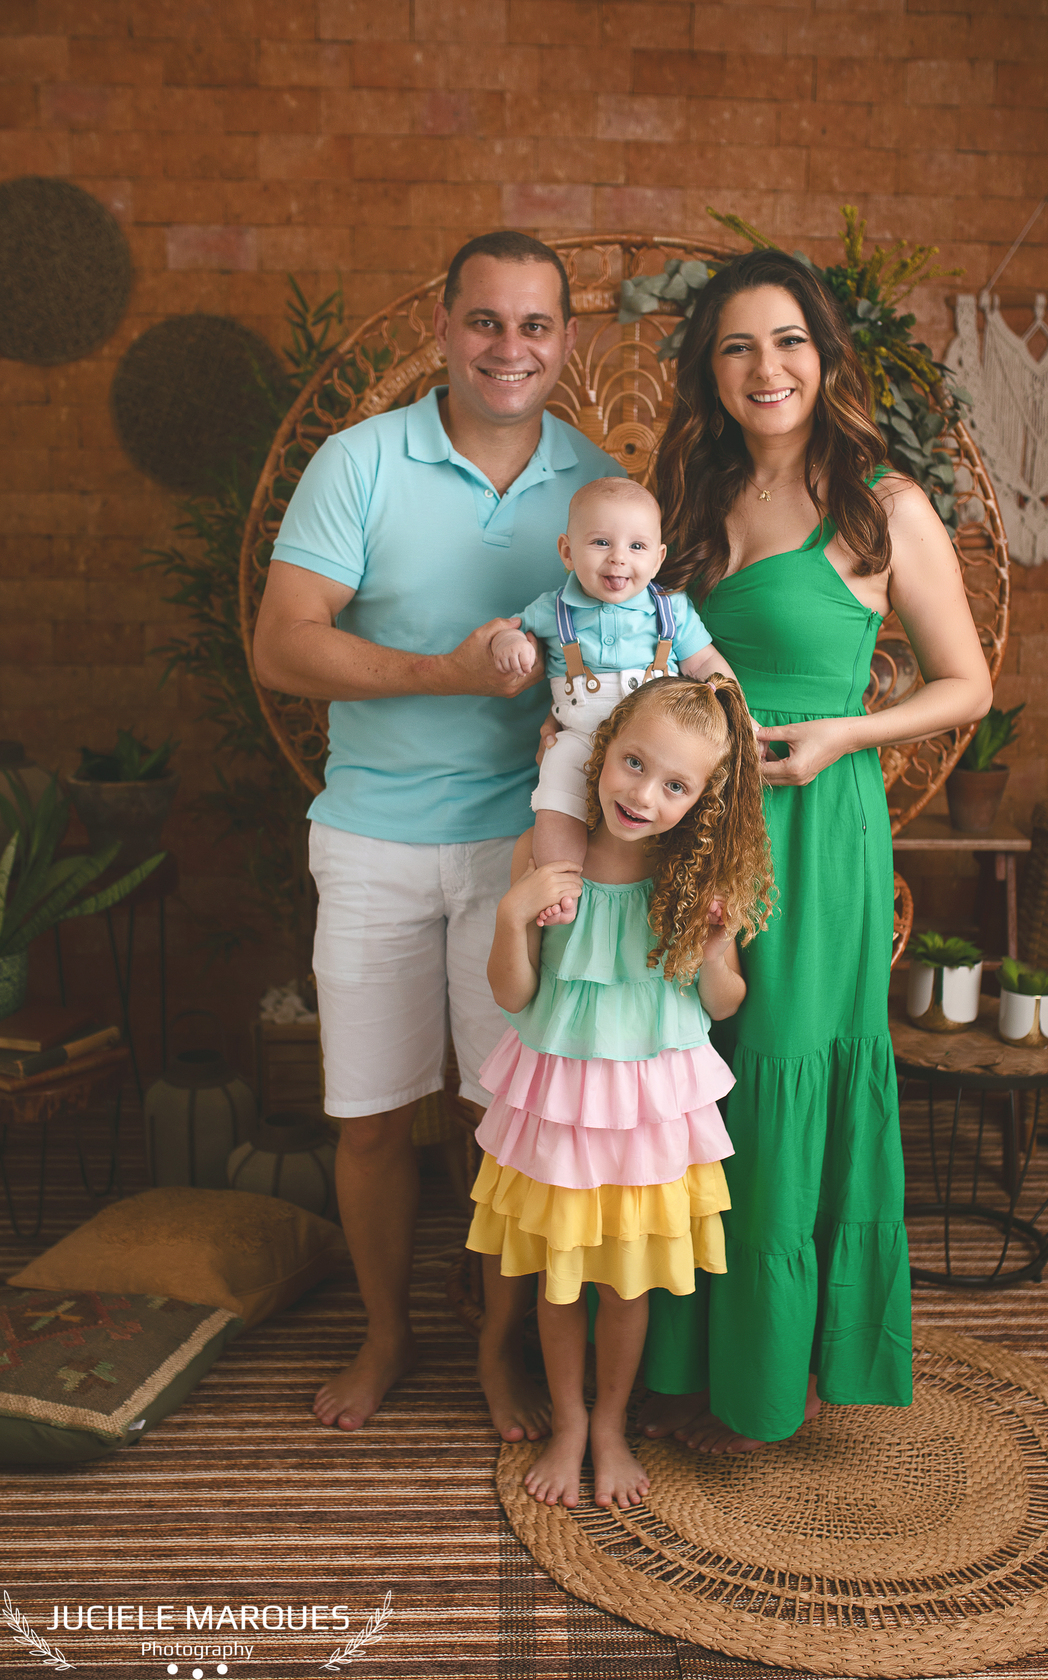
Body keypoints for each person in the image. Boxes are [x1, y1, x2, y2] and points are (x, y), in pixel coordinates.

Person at [251, 231, 624, 1436]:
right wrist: (446, 674)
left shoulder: (600, 487)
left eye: (535, 325)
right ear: (443, 328)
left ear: (566, 340)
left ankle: (494, 1348)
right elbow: (283, 643)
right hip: (371, 839)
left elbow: (649, 655)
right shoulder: (359, 461)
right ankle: (387, 1333)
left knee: (500, 1125)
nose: (509, 348)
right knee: (370, 1118)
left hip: (529, 849)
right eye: (485, 321)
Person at [637, 247, 994, 1452]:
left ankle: (773, 1376)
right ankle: (686, 1357)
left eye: (787, 340)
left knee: (782, 1071)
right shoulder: (691, 497)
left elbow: (965, 684)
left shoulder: (882, 507)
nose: (766, 366)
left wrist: (847, 732)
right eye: (737, 346)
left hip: (815, 827)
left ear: (824, 355)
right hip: (696, 826)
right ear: (711, 370)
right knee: (693, 1076)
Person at [467, 675, 774, 1508]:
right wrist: (511, 917)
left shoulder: (692, 879)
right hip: (562, 1106)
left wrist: (716, 946)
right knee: (561, 1279)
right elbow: (514, 996)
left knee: (626, 1285)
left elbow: (723, 1006)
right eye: (634, 764)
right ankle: (568, 1424)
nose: (643, 795)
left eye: (675, 785)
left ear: (702, 800)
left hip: (647, 1115)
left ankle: (609, 1426)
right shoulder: (547, 859)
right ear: (602, 753)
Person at [490, 476, 735, 925]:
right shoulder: (551, 609)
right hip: (581, 734)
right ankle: (559, 885)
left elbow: (704, 661)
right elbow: (508, 630)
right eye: (601, 542)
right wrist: (510, 643)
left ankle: (706, 885)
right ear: (567, 552)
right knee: (557, 792)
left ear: (658, 558)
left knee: (698, 793)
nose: (619, 557)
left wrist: (735, 712)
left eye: (637, 546)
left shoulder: (670, 608)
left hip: (657, 741)